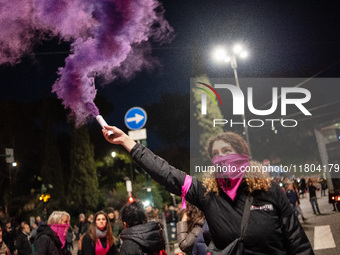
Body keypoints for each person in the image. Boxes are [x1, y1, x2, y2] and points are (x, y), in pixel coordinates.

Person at [102, 126, 314, 254]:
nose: (221, 157)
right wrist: (127, 141)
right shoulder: (206, 193)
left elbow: (297, 242)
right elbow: (166, 172)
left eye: (226, 150)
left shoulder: (270, 191)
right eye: (216, 154)